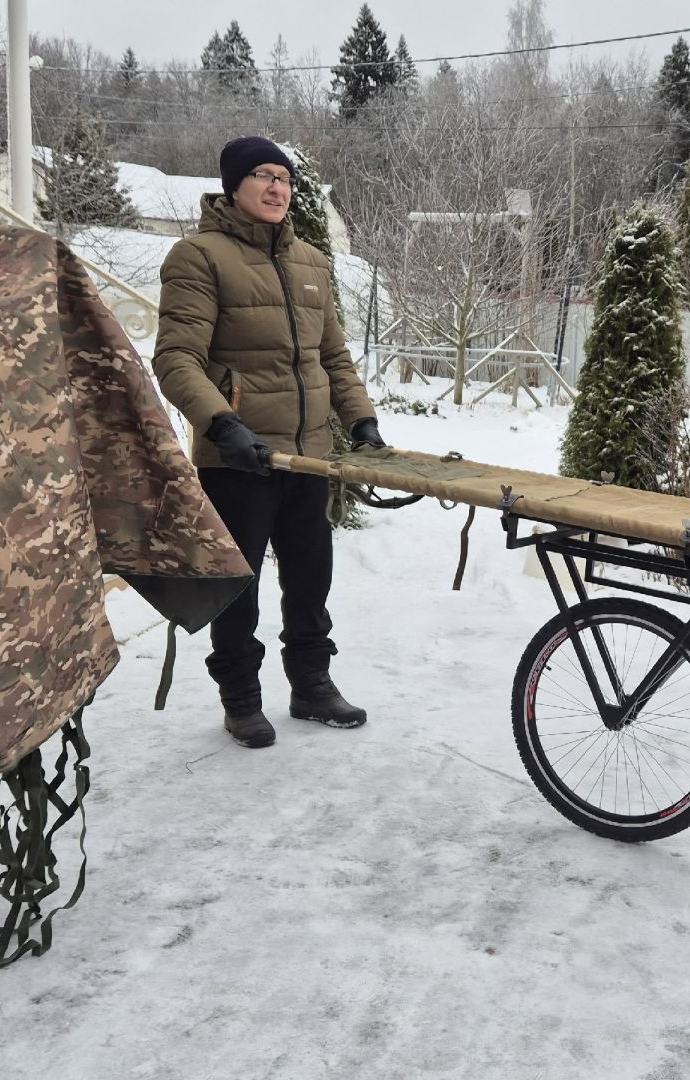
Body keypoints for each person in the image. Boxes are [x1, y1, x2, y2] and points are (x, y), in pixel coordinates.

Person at [152, 135, 384, 749]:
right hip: (239, 457)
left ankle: (311, 685)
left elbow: (332, 356)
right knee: (238, 587)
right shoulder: (197, 257)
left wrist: (360, 420)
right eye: (261, 174)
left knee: (311, 580)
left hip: (308, 454)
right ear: (233, 186)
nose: (277, 186)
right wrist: (222, 426)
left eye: (283, 176)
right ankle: (242, 699)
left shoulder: (311, 261)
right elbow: (176, 360)